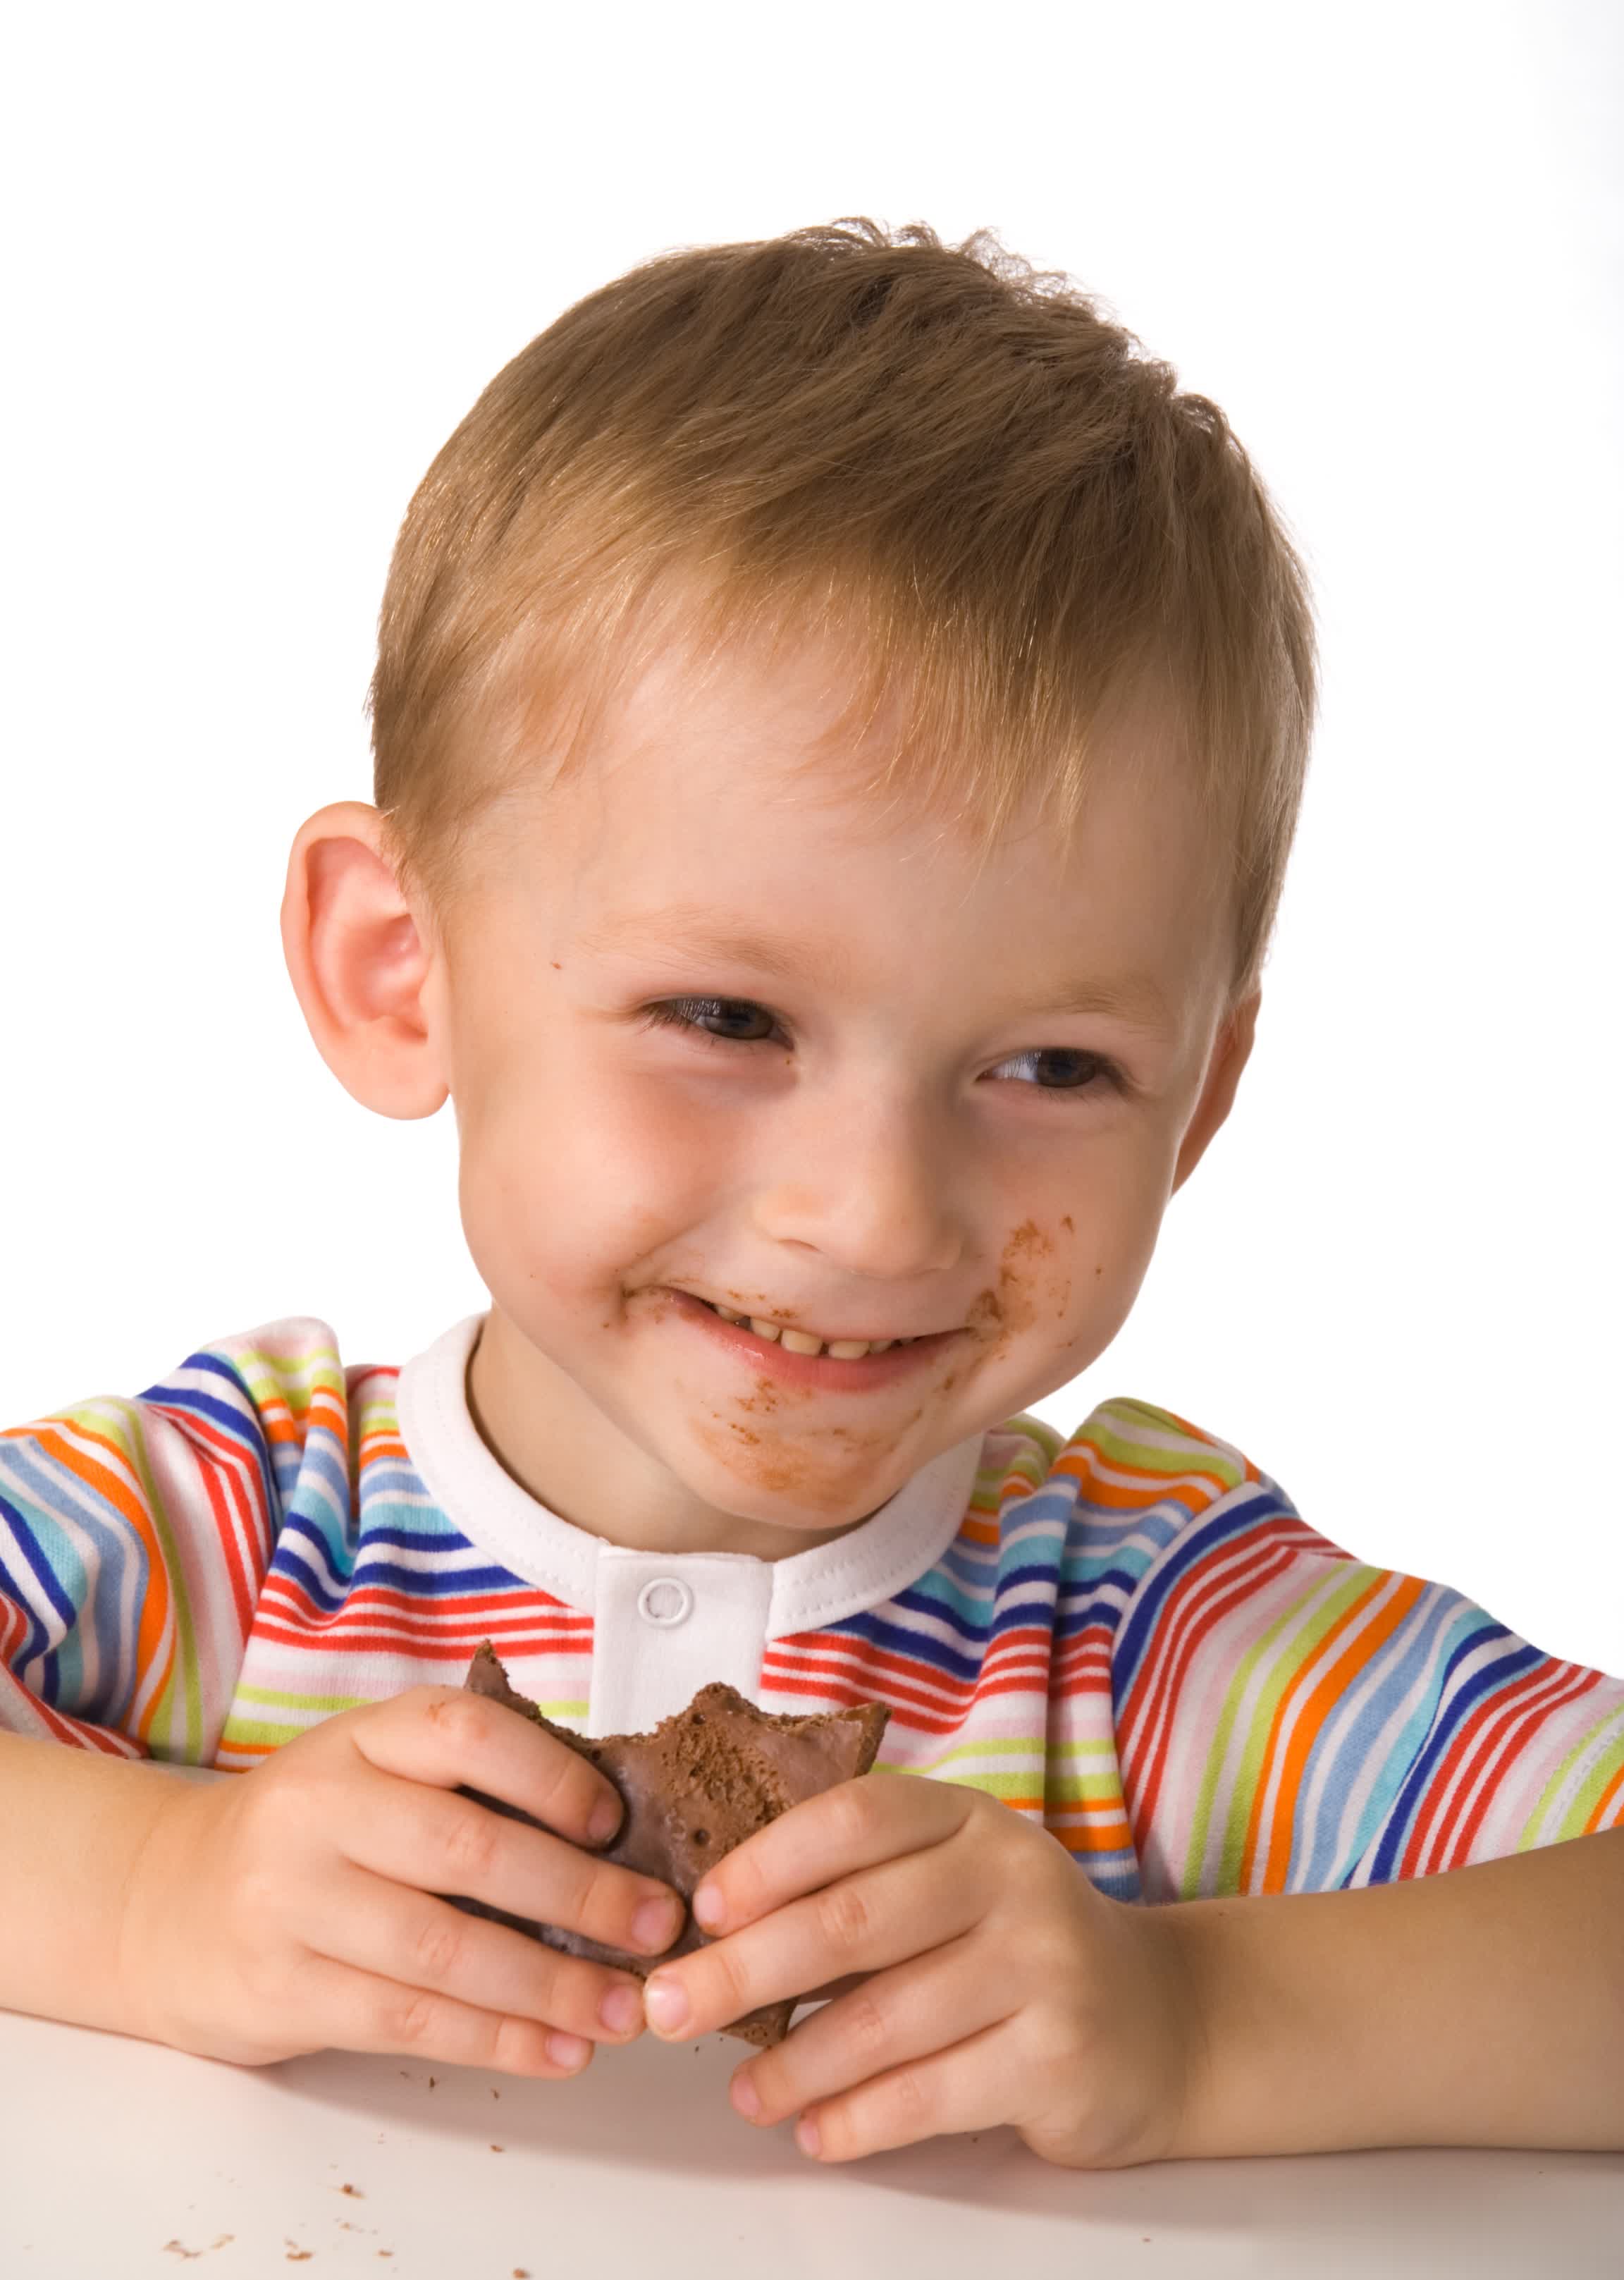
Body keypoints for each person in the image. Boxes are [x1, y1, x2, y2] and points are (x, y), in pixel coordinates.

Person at [1, 221, 1618, 2172]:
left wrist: (1197, 2018)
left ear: (1196, 1102)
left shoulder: (1145, 1639)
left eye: (1053, 1068)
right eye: (727, 1018)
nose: (875, 1215)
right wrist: (154, 1894)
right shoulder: (224, 1527)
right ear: (398, 970)